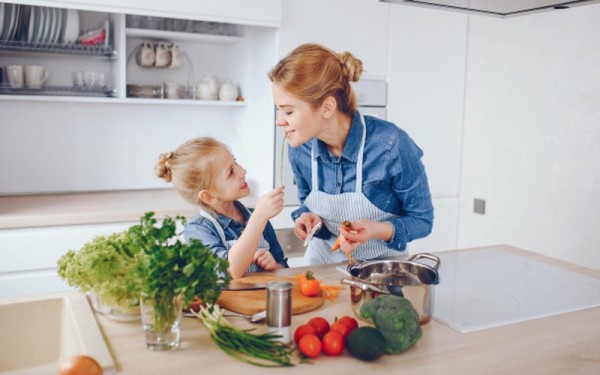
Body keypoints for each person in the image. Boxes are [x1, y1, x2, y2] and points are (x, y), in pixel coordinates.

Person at [269, 43, 434, 265]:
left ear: (327, 107)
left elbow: (422, 221)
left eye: (288, 111)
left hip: (380, 272)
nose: (280, 120)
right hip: (321, 267)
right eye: (279, 109)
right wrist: (306, 217)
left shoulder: (391, 145)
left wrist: (375, 229)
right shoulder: (300, 148)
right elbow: (306, 202)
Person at [156, 137, 288, 278]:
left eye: (235, 161)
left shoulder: (256, 217)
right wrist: (258, 218)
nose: (243, 171)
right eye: (230, 172)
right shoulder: (199, 229)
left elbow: (284, 267)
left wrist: (274, 267)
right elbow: (229, 271)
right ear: (208, 196)